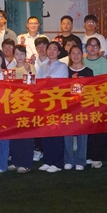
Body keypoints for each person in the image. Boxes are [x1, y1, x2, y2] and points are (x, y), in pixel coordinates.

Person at [37, 41, 68, 173]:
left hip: (56, 103)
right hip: (44, 103)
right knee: (45, 132)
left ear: (59, 52)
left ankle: (57, 162)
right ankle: (48, 160)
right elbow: (38, 84)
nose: (51, 51)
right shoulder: (42, 67)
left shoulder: (62, 66)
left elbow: (64, 85)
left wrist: (51, 82)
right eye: (49, 48)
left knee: (56, 132)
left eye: (55, 49)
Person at [83, 37, 107, 168]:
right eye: (90, 45)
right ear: (86, 48)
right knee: (86, 127)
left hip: (99, 98)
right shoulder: (82, 60)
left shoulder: (103, 62)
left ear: (99, 48)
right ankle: (88, 155)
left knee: (99, 128)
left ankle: (98, 156)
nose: (92, 48)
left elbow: (105, 80)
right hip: (84, 99)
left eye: (95, 46)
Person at [65, 45, 93, 171]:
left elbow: (91, 90)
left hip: (83, 107)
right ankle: (68, 160)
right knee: (67, 134)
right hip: (68, 107)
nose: (76, 56)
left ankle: (81, 160)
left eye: (78, 53)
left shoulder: (88, 71)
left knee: (82, 134)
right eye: (73, 53)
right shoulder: (65, 71)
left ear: (82, 55)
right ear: (69, 56)